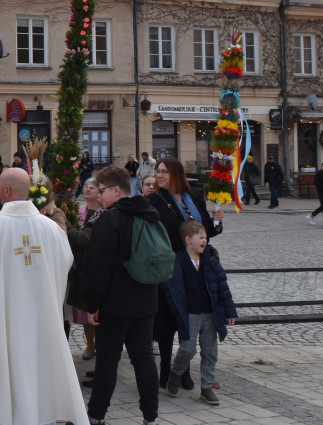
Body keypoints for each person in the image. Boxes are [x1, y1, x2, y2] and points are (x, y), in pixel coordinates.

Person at [0, 166, 88, 425]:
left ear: (6, 190)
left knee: (2, 373)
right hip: (43, 321)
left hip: (3, 320)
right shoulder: (51, 229)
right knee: (40, 371)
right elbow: (65, 263)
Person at [82, 166, 162, 425]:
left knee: (107, 360)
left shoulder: (110, 219)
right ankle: (151, 417)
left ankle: (96, 415)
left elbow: (98, 266)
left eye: (103, 190)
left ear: (116, 190)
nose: (101, 196)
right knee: (144, 359)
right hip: (146, 300)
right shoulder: (150, 214)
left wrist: (92, 304)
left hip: (115, 304)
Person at [149, 156, 224, 391]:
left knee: (190, 319)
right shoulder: (154, 200)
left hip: (197, 268)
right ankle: (165, 369)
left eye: (164, 172)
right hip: (171, 266)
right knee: (166, 320)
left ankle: (184, 370)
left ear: (176, 174)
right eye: (158, 171)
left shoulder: (194, 198)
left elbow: (206, 232)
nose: (159, 175)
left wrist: (217, 222)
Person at [163, 221, 237, 407]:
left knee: (210, 351)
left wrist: (229, 311)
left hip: (211, 314)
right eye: (201, 237)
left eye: (205, 237)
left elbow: (222, 287)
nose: (205, 240)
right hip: (190, 314)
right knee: (188, 349)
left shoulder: (210, 260)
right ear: (189, 240)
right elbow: (173, 290)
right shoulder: (178, 261)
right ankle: (176, 373)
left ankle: (206, 387)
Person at [68, 178, 103, 365]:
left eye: (92, 188)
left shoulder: (102, 213)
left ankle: (102, 345)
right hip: (80, 264)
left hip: (95, 263)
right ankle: (90, 344)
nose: (87, 190)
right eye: (87, 187)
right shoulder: (79, 211)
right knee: (84, 311)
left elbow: (82, 238)